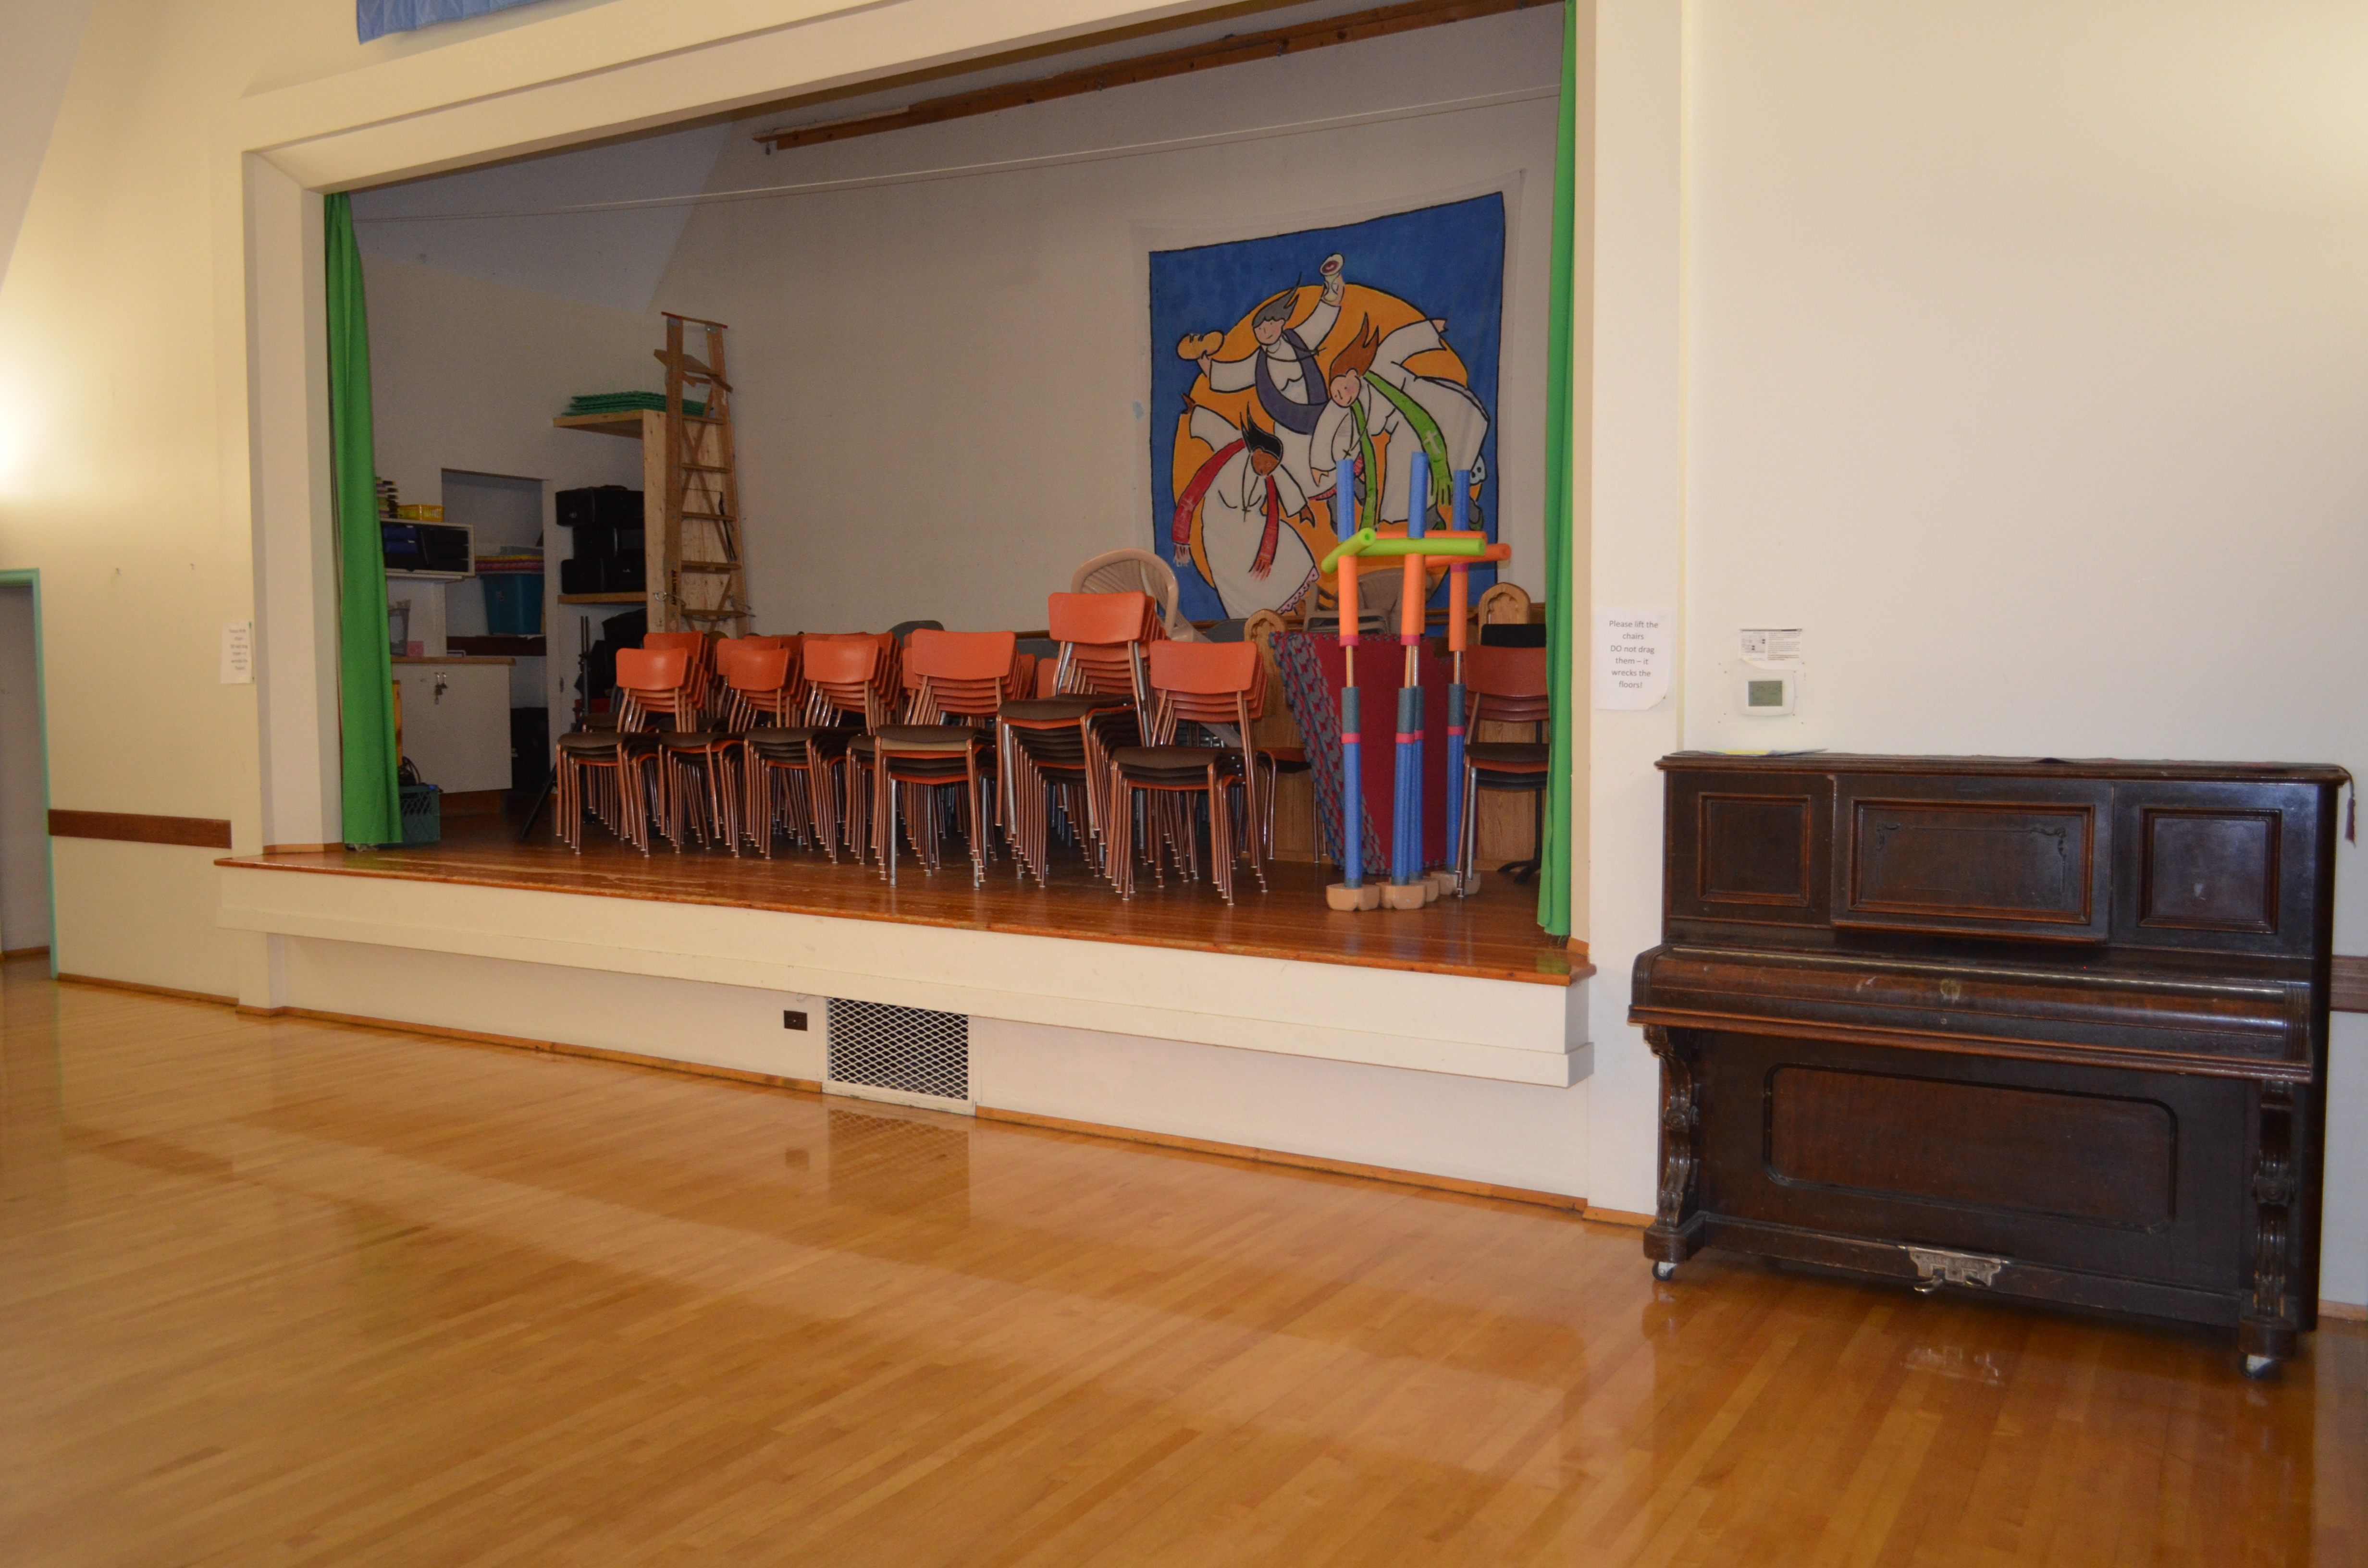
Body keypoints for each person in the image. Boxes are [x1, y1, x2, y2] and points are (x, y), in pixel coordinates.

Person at [1311, 314, 1491, 531]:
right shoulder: (1348, 407)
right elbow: (1326, 427)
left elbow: (1401, 340)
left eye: (1342, 389)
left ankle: (1468, 510)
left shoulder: (1380, 361)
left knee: (1454, 465)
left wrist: (1431, 329)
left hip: (1432, 406)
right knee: (1407, 482)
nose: (1342, 397)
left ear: (1352, 374)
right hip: (1404, 433)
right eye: (1337, 395)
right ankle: (1431, 519)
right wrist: (1319, 464)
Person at [1197, 253, 1346, 490]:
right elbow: (1228, 376)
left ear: (1281, 323)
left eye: (1270, 323)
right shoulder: (1258, 363)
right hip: (1289, 430)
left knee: (1339, 457)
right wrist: (1202, 358)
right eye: (1259, 327)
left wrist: (1333, 279)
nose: (1265, 330)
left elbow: (1324, 315)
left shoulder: (1299, 339)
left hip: (1321, 416)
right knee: (1306, 478)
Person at [1172, 406, 1318, 618]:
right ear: (1257, 451)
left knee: (1287, 542)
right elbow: (1215, 427)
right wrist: (1197, 412)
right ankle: (1261, 619)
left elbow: (1283, 480)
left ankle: (1303, 609)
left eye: (1273, 466)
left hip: (1254, 527)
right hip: (1221, 535)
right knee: (1244, 582)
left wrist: (1301, 507)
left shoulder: (1269, 474)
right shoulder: (1230, 450)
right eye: (1267, 463)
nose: (1269, 469)